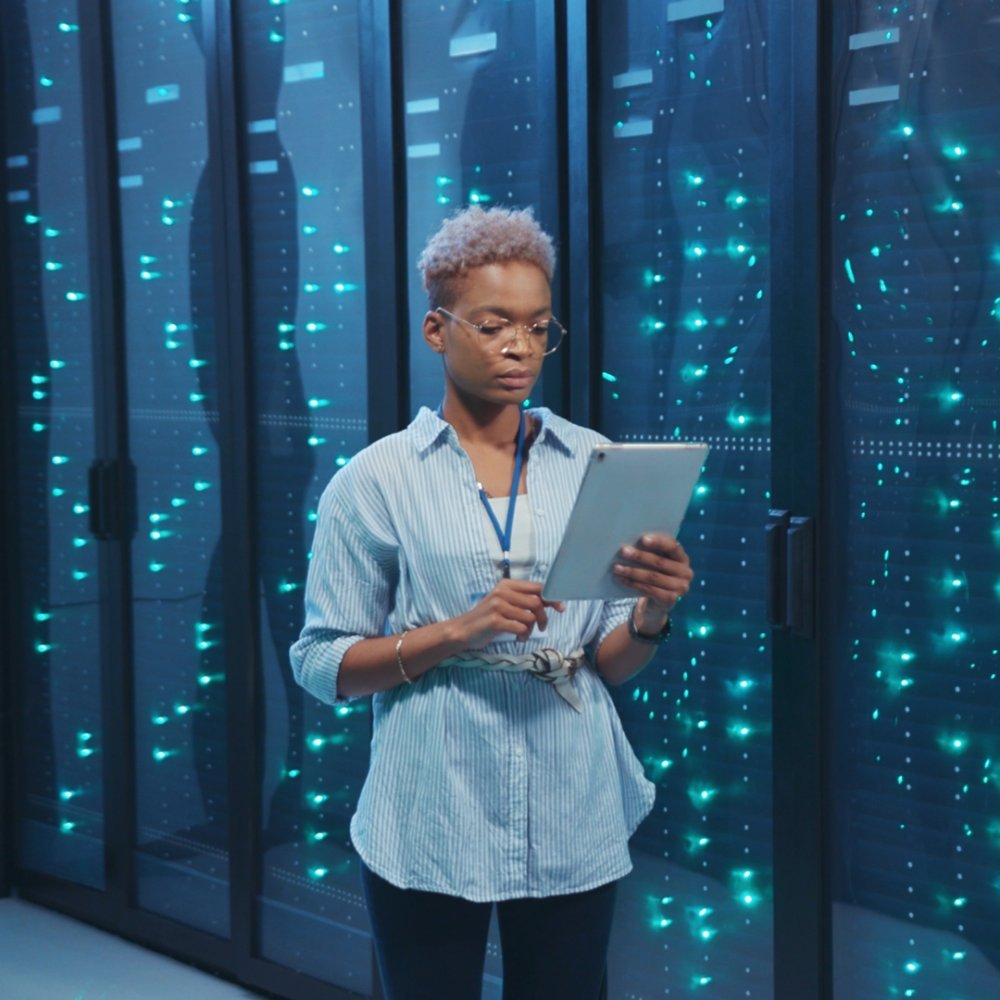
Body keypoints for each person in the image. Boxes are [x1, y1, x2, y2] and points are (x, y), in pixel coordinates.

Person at [290, 205, 694, 1000]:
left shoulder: (596, 462)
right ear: (437, 332)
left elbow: (607, 664)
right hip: (430, 806)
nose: (521, 346)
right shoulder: (373, 481)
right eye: (495, 324)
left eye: (540, 327)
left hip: (572, 800)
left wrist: (650, 614)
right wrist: (457, 631)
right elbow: (320, 662)